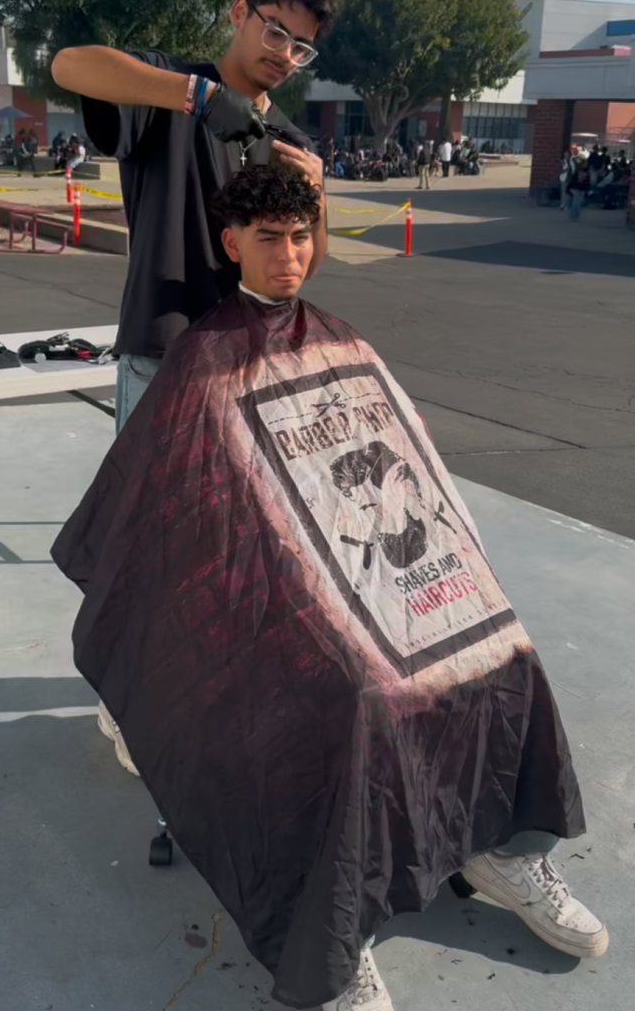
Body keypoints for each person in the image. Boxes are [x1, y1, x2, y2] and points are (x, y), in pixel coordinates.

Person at [53, 161, 608, 1011]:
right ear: (232, 241)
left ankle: (500, 846)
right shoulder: (201, 364)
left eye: (302, 236)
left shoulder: (345, 341)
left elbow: (415, 471)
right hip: (271, 602)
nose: (287, 255)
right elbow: (180, 520)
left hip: (389, 567)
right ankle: (335, 933)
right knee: (359, 696)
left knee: (507, 653)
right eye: (268, 238)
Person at [51, 0, 334, 769]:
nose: (283, 53)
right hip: (165, 357)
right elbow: (69, 63)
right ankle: (124, 697)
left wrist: (315, 198)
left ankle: (206, 689)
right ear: (238, 9)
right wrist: (194, 96)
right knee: (153, 546)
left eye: (301, 45)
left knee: (240, 549)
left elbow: (303, 266)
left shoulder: (287, 136)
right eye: (275, 30)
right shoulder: (165, 91)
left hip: (255, 372)